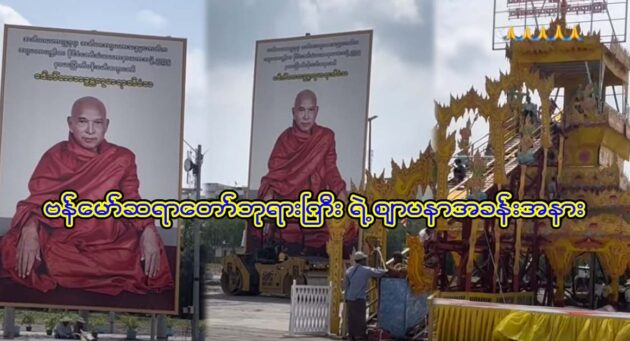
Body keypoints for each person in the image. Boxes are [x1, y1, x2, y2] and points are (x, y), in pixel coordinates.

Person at [0, 96, 173, 295]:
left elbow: (132, 200)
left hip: (107, 236)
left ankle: (74, 270)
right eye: (83, 122)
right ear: (70, 123)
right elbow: (38, 200)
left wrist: (149, 229)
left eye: (97, 123)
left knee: (146, 245)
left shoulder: (122, 158)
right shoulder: (55, 156)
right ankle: (87, 270)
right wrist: (30, 228)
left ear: (106, 125)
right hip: (63, 233)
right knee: (12, 245)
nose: (90, 131)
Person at [252, 89, 355, 256]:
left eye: (310, 110)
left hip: (314, 204)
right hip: (289, 204)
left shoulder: (325, 137)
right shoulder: (284, 139)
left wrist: (340, 191)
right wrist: (269, 193)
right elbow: (274, 173)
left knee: (346, 227)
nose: (306, 116)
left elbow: (330, 168)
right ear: (293, 112)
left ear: (316, 111)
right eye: (301, 110)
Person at [344, 251, 388, 341]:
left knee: (351, 318)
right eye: (365, 259)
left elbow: (346, 286)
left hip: (350, 298)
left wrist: (345, 298)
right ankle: (359, 336)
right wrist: (387, 270)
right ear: (362, 260)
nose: (366, 260)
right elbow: (378, 273)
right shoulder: (365, 270)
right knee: (360, 318)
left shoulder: (349, 270)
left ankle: (351, 336)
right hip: (359, 298)